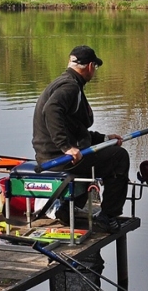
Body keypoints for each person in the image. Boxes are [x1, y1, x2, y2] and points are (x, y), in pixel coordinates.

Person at [32, 45, 130, 232]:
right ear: (91, 66)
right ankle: (108, 216)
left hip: (49, 155)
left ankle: (68, 208)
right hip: (59, 158)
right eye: (96, 67)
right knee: (119, 157)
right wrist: (66, 147)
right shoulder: (70, 86)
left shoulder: (64, 82)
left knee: (98, 155)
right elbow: (51, 111)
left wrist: (104, 139)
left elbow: (75, 129)